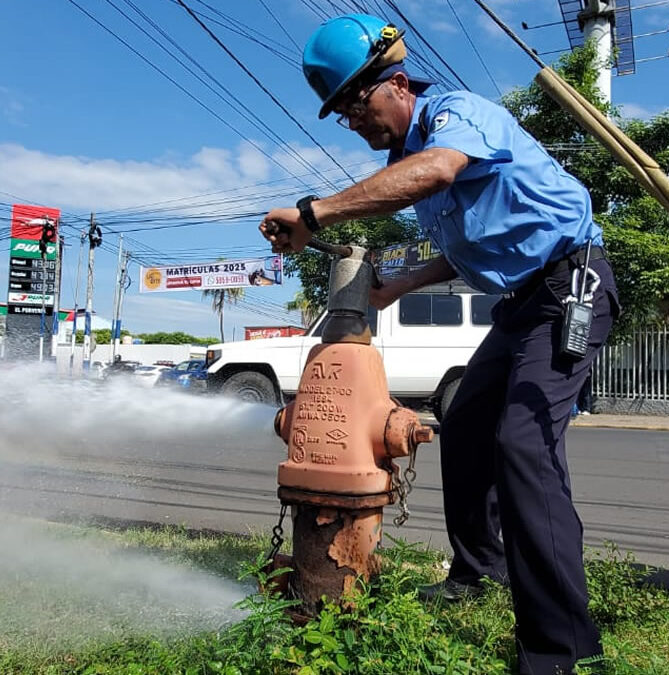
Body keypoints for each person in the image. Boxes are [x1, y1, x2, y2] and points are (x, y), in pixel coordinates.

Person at [259, 14, 619, 674]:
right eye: (341, 114)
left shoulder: (454, 117)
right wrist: (402, 284)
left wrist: (313, 214)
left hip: (574, 282)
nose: (354, 122)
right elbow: (466, 247)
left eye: (355, 105)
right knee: (467, 419)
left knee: (523, 441)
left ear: (396, 84)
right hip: (520, 304)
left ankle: (562, 646)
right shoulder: (411, 161)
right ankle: (479, 569)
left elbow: (439, 173)